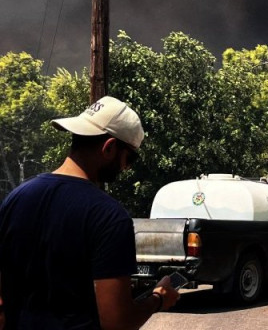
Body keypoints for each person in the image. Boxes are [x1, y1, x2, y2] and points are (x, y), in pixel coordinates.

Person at [0, 96, 179, 329]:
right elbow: (117, 323)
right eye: (130, 158)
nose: (126, 168)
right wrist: (158, 299)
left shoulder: (15, 199)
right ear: (110, 147)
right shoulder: (109, 217)